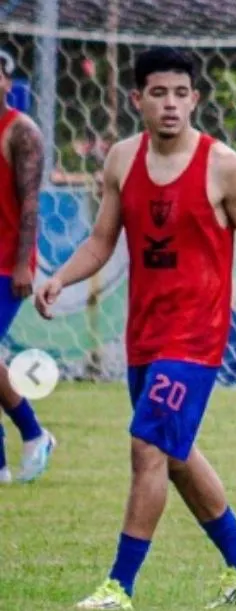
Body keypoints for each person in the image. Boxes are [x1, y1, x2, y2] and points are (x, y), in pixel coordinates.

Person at [34, 47, 236, 610]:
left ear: (195, 100)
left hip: (196, 336)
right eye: (158, 93)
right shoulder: (119, 161)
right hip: (145, 335)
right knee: (174, 454)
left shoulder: (226, 169)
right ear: (137, 100)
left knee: (147, 447)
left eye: (181, 94)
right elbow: (101, 242)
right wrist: (59, 278)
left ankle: (119, 586)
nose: (170, 104)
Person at [0, 48, 56, 484]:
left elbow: (31, 202)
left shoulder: (22, 133)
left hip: (6, 265)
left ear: (7, 81)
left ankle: (35, 434)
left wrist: (23, 265)